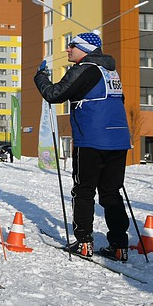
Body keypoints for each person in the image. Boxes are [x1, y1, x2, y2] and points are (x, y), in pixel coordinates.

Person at [34, 32, 132, 261]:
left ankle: (84, 241)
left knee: (84, 190)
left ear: (85, 49)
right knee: (111, 193)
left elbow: (55, 94)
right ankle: (119, 245)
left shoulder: (86, 68)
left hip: (91, 139)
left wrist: (40, 77)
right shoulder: (110, 71)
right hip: (118, 139)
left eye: (72, 46)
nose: (67, 50)